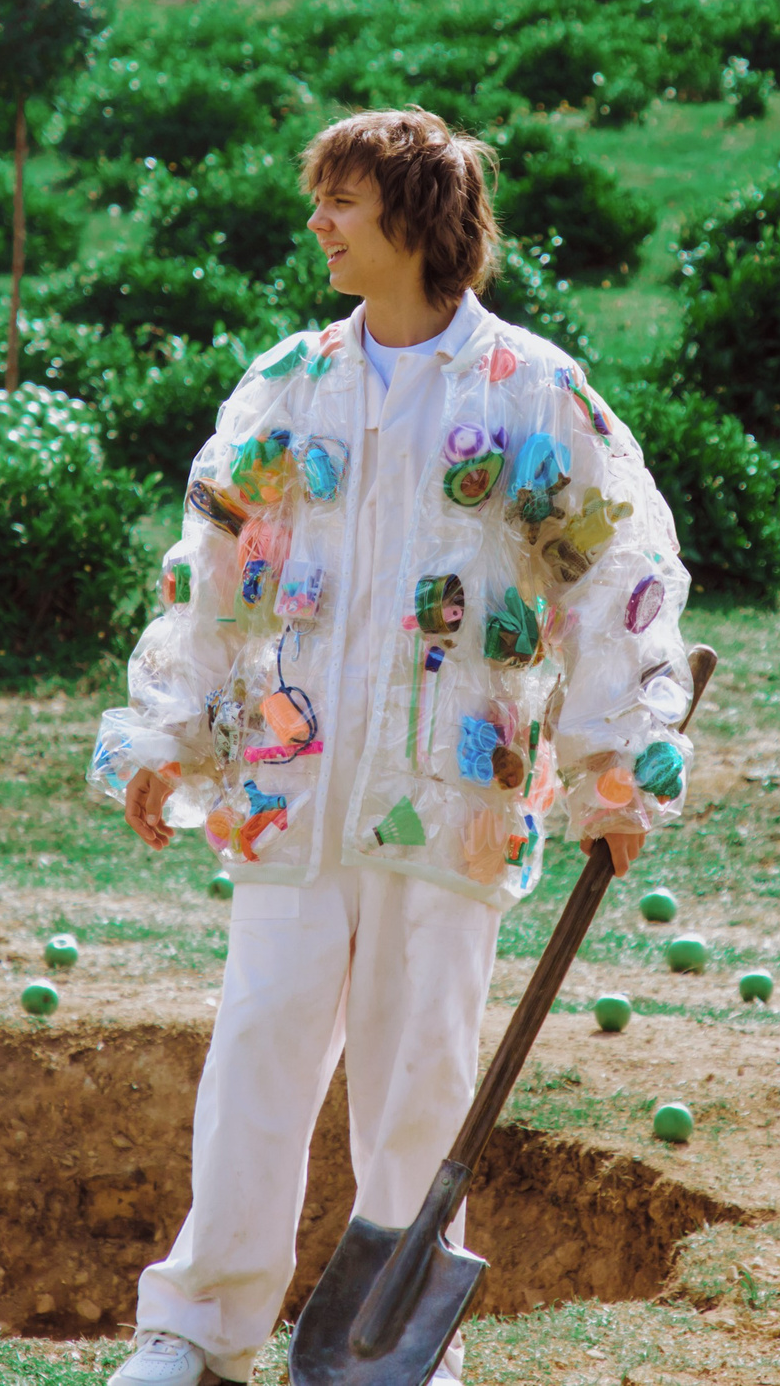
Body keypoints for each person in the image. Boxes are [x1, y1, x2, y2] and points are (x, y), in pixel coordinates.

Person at [86, 109, 694, 1386]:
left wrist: (614, 766)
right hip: (290, 792)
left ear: (415, 221)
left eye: (343, 203)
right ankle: (196, 1330)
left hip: (451, 794)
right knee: (256, 1054)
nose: (319, 223)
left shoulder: (532, 390)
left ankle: (406, 1347)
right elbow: (214, 566)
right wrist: (167, 734)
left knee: (419, 1077)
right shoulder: (288, 382)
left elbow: (615, 578)